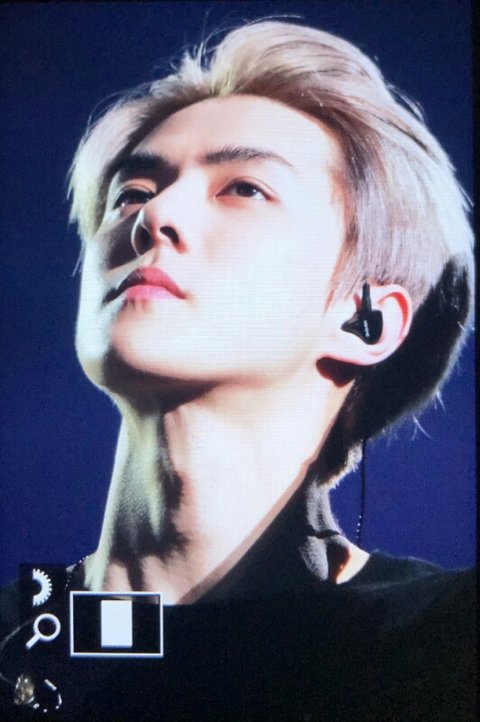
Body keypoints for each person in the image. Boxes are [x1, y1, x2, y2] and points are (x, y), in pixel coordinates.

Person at [0, 19, 475, 720]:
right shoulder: (17, 639)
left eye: (244, 188)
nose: (154, 214)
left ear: (365, 319)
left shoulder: (446, 644)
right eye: (132, 192)